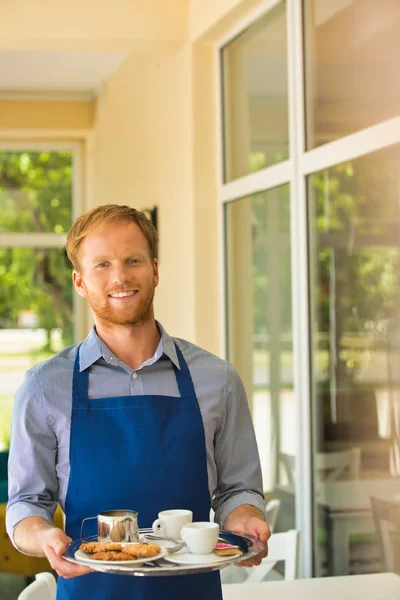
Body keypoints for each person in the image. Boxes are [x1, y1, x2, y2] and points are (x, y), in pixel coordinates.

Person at [6, 204, 270, 600]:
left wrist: (247, 519)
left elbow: (237, 490)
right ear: (79, 281)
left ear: (156, 270)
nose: (120, 276)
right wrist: (42, 535)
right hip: (90, 591)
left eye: (133, 260)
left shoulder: (218, 380)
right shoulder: (44, 388)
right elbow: (27, 503)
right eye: (102, 265)